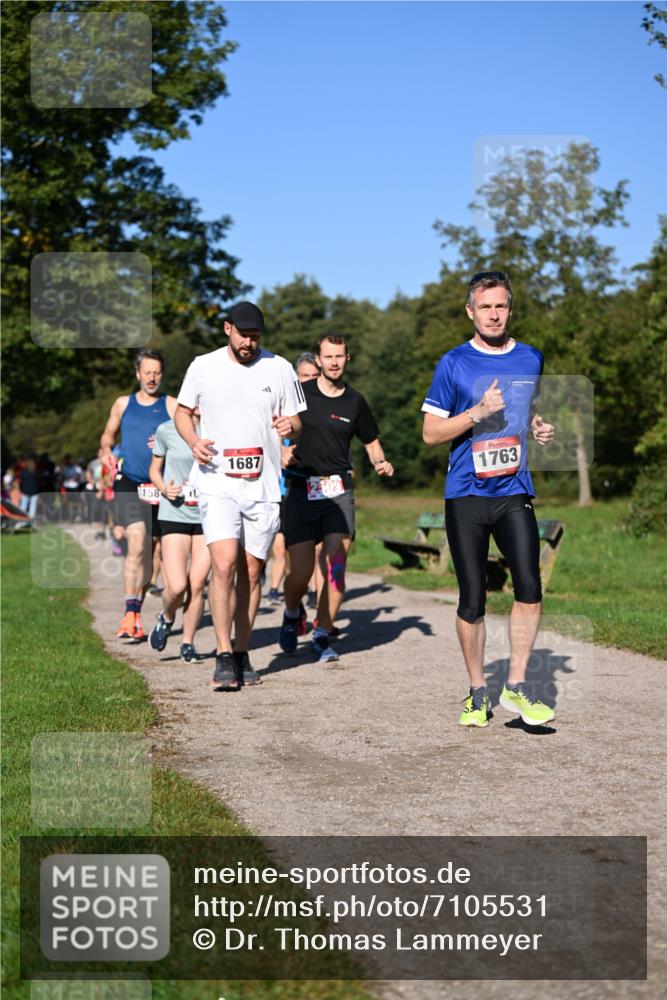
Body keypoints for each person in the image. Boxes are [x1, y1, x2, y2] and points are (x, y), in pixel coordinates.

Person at [421, 270, 556, 728]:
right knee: (473, 598)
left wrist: (537, 426)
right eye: (485, 307)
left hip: (514, 489)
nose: (494, 314)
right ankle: (478, 691)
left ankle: (516, 685)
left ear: (509, 309)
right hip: (466, 495)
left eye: (500, 306)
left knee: (530, 587)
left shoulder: (531, 358)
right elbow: (430, 433)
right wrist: (476, 413)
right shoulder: (453, 363)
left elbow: (526, 406)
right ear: (470, 312)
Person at [174, 301, 306, 691]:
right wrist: (194, 441)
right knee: (224, 564)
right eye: (243, 334)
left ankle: (243, 651)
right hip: (217, 481)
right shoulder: (203, 365)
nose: (249, 343)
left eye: (256, 336)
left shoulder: (279, 368)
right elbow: (183, 413)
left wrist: (290, 426)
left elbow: (297, 419)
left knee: (251, 570)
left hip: (262, 485)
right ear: (227, 329)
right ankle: (222, 654)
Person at [279, 333, 394, 663]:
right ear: (318, 360)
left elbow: (371, 441)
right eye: (328, 356)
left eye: (339, 356)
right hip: (301, 491)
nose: (333, 362)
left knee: (337, 567)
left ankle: (321, 632)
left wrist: (380, 461)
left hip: (339, 491)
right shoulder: (298, 395)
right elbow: (273, 428)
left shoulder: (355, 402)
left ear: (348, 359)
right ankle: (291, 613)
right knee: (299, 574)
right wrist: (282, 453)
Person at [100, 350, 177, 641]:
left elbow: (191, 433)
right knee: (137, 542)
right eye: (147, 372)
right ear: (138, 374)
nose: (152, 377)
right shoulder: (123, 403)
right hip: (129, 481)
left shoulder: (171, 405)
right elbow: (107, 435)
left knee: (150, 551)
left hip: (160, 485)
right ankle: (129, 614)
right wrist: (107, 451)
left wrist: (166, 442)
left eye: (157, 372)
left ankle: (135, 611)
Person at [148, 410, 210, 662]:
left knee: (197, 584)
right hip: (174, 513)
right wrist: (164, 488)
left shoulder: (216, 426)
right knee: (176, 586)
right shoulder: (166, 429)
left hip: (208, 515)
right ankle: (166, 617)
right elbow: (154, 469)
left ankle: (188, 642)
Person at [266, 352, 320, 609]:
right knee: (282, 551)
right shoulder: (282, 404)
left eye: (314, 376)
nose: (309, 380)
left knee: (310, 551)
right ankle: (284, 592)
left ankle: (308, 594)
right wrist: (281, 451)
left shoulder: (325, 408)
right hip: (279, 491)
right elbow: (266, 433)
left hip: (314, 490)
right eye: (304, 376)